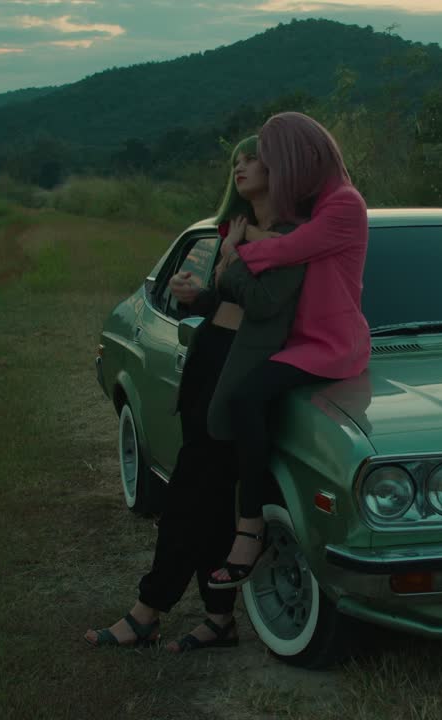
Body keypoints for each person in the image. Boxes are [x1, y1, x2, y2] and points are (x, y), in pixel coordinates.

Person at [84, 136, 307, 651]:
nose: (240, 166)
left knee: (188, 496)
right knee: (205, 499)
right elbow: (225, 303)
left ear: (282, 168)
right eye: (236, 160)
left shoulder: (294, 236)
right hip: (208, 356)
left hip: (241, 365)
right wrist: (200, 292)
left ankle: (147, 610)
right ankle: (218, 617)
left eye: (252, 158)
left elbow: (269, 309)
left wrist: (236, 258)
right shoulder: (234, 228)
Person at [207, 112, 370, 589]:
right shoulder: (312, 206)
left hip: (331, 345)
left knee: (244, 399)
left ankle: (250, 527)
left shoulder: (344, 204)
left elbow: (288, 250)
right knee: (238, 402)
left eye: (275, 161)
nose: (272, 171)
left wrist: (238, 243)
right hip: (298, 342)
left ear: (299, 157)